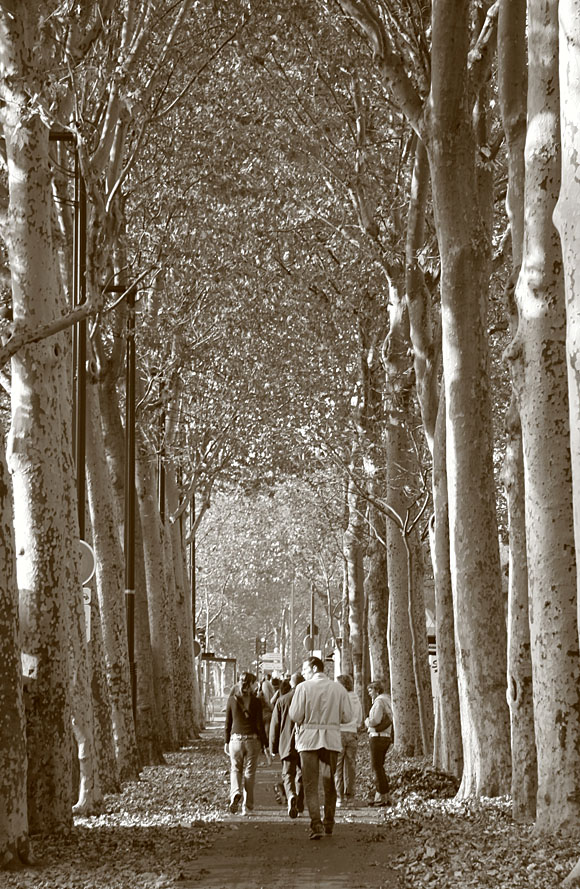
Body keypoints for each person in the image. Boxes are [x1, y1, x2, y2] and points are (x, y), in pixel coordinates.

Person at [289, 656, 352, 839]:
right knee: (329, 781)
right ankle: (329, 821)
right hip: (331, 740)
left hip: (308, 740)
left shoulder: (303, 688)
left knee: (310, 784)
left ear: (315, 668)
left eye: (305, 669)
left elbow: (295, 715)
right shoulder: (338, 689)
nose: (303, 673)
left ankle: (316, 823)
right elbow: (347, 717)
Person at [224, 671, 268, 816]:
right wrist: (265, 745)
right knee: (249, 773)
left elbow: (228, 723)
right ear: (250, 684)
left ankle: (235, 792)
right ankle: (247, 807)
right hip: (252, 740)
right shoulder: (256, 701)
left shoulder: (231, 700)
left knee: (236, 769)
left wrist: (226, 741)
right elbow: (260, 724)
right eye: (255, 683)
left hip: (235, 740)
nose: (257, 685)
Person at [269, 673, 304, 817]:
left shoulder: (282, 700)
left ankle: (291, 795)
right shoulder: (307, 700)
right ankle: (300, 805)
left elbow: (275, 725)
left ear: (291, 684)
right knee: (302, 774)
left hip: (287, 743)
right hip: (305, 743)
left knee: (288, 774)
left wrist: (273, 747)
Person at [335, 674, 363, 807]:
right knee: (351, 766)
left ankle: (339, 797)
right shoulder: (357, 699)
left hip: (339, 733)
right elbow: (360, 719)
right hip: (352, 733)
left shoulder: (339, 698)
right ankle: (350, 797)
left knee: (338, 766)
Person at [365, 680, 394, 807]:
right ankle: (385, 795)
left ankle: (382, 797)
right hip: (386, 736)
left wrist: (367, 721)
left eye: (370, 690)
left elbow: (375, 720)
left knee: (376, 768)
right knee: (380, 767)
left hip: (377, 737)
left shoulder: (379, 702)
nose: (369, 693)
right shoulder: (388, 700)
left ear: (377, 690)